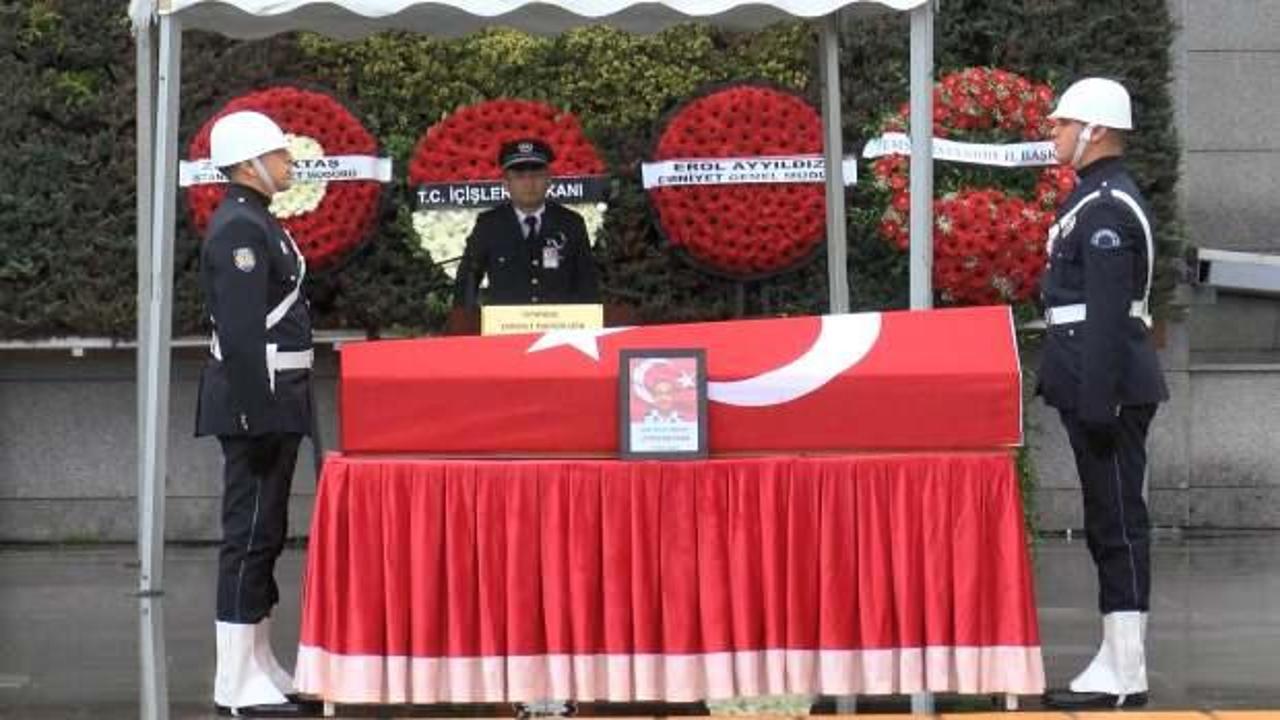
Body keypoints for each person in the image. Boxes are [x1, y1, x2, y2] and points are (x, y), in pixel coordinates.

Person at [1037, 78, 1170, 710]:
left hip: (1108, 390)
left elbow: (1110, 314)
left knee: (1118, 526)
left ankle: (1127, 672)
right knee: (1104, 524)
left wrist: (1099, 401)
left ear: (1095, 130)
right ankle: (1114, 660)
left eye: (1063, 124)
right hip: (1094, 387)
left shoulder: (1108, 208)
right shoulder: (1092, 199)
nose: (1054, 133)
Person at [196, 110, 320, 718]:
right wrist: (254, 415)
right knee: (246, 536)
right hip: (258, 400)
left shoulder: (258, 221)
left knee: (265, 534)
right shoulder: (239, 230)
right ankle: (234, 681)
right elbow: (242, 335)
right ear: (250, 164)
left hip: (277, 396)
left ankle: (260, 660)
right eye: (280, 155)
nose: (290, 163)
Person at [453, 138, 601, 307]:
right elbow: (468, 281)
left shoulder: (570, 223)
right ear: (506, 184)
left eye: (536, 175)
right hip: (506, 329)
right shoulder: (489, 225)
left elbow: (587, 284)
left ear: (549, 180)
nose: (529, 183)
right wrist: (466, 321)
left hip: (559, 329)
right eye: (519, 176)